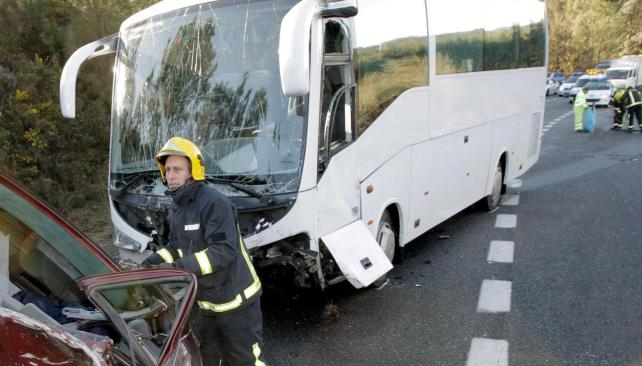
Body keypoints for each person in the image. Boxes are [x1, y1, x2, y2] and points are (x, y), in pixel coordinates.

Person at [142, 137, 266, 366]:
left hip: (237, 304)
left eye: (177, 169)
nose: (170, 175)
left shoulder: (214, 203)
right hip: (207, 306)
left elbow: (224, 251)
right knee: (209, 360)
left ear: (193, 170)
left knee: (245, 361)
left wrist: (176, 270)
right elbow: (175, 247)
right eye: (167, 169)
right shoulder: (177, 207)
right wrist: (150, 264)